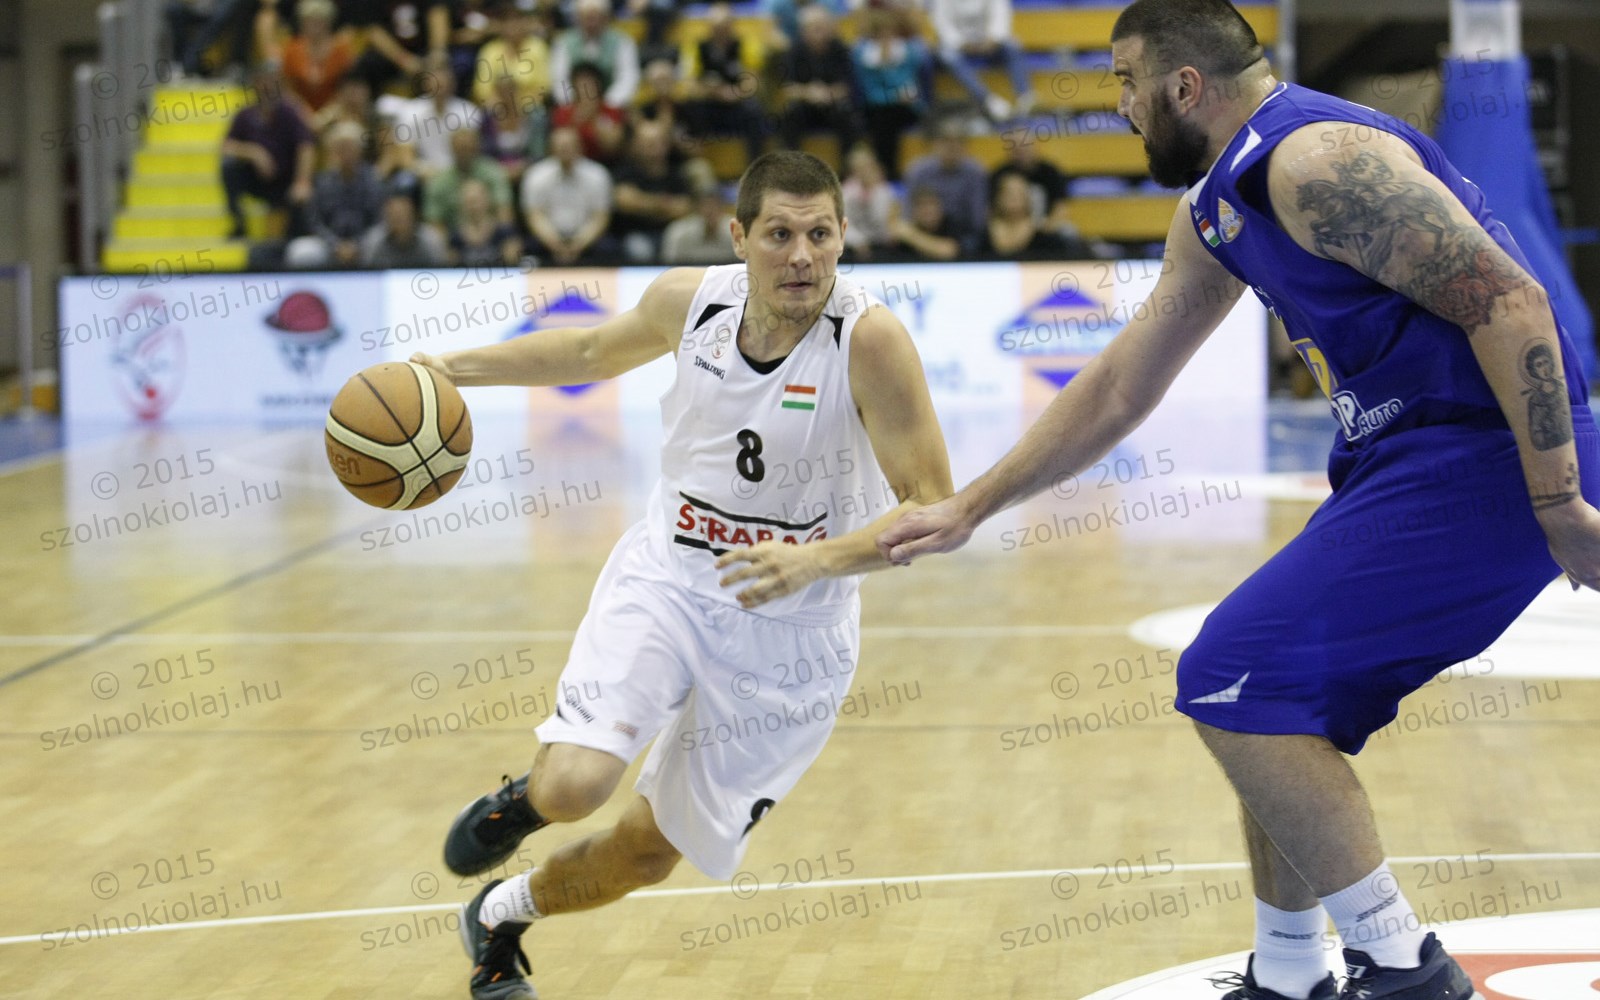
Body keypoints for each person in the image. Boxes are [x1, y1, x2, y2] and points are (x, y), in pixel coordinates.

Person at [878, 3, 1600, 1000]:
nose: (1121, 106)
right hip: (1403, 457)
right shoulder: (1217, 204)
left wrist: (1557, 501)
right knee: (1268, 695)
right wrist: (972, 505)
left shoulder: (1312, 162)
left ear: (1184, 86)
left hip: (1484, 457)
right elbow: (1122, 385)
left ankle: (1404, 967)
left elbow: (1511, 302)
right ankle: (1292, 970)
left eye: (1126, 81)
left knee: (1230, 674)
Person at [413, 149, 953, 1000]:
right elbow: (588, 351)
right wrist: (450, 370)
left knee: (645, 856)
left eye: (820, 235)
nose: (802, 257)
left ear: (846, 235)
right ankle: (525, 802)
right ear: (738, 237)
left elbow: (932, 506)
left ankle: (500, 914)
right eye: (779, 235)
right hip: (669, 581)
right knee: (574, 788)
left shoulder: (870, 341)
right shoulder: (689, 301)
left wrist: (815, 559)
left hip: (794, 632)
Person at [220, 62, 316, 239]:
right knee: (228, 167)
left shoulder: (290, 112)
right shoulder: (246, 115)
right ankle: (239, 224)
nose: (267, 87)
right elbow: (226, 146)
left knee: (304, 197)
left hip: (286, 180)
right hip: (258, 179)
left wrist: (302, 181)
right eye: (262, 82)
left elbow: (306, 146)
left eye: (272, 82)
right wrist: (254, 152)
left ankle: (294, 236)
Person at [284, 120, 385, 268]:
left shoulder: (373, 180)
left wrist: (357, 244)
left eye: (350, 147)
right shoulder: (322, 182)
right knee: (300, 251)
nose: (345, 153)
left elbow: (379, 220)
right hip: (330, 244)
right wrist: (335, 245)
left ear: (360, 150)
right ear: (333, 151)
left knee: (378, 244)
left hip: (365, 243)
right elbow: (315, 221)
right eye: (340, 148)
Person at [519, 125, 613, 265]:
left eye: (569, 146)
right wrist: (555, 244)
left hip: (587, 238)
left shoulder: (598, 175)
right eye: (560, 147)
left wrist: (578, 245)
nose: (565, 150)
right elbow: (534, 215)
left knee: (608, 248)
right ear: (551, 149)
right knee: (525, 249)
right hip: (548, 238)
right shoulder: (536, 175)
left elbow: (600, 217)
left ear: (580, 148)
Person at [927, 0, 1034, 121]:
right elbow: (942, 23)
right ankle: (988, 100)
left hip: (989, 42)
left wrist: (993, 38)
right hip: (959, 46)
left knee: (1012, 46)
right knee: (948, 56)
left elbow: (1001, 13)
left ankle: (1025, 98)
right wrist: (962, 43)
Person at [361, 188, 449, 266]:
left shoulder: (431, 241)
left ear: (414, 215)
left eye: (403, 215)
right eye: (394, 216)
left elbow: (441, 272)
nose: (399, 221)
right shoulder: (373, 242)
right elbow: (365, 274)